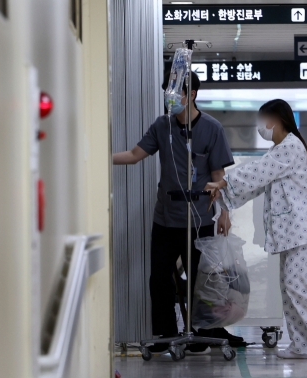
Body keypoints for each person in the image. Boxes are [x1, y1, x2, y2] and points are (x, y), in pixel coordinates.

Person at [112, 71, 247, 354]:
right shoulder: (163, 126)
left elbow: (218, 174)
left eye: (175, 93)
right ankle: (166, 333)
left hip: (199, 217)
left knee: (202, 278)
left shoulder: (212, 128)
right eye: (167, 93)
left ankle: (204, 332)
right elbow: (135, 155)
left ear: (192, 95)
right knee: (159, 276)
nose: (170, 99)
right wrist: (101, 156)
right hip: (166, 218)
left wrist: (224, 212)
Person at [205, 99, 307, 359]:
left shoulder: (290, 147)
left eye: (263, 122)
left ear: (276, 120)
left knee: (300, 284)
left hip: (305, 231)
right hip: (294, 233)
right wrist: (224, 196)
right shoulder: (280, 150)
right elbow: (259, 183)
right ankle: (302, 345)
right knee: (289, 287)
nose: (261, 128)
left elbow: (258, 172)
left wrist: (224, 182)